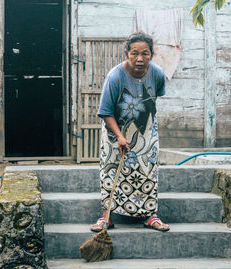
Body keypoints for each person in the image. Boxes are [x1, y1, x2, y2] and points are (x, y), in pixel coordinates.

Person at [90, 32, 170, 232]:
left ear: (152, 54)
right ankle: (106, 217)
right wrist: (119, 136)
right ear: (126, 53)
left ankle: (150, 216)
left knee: (148, 171)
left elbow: (154, 99)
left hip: (146, 132)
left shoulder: (158, 74)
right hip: (114, 130)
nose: (140, 59)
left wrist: (142, 128)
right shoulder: (115, 76)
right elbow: (106, 112)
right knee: (111, 170)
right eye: (134, 53)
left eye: (145, 53)